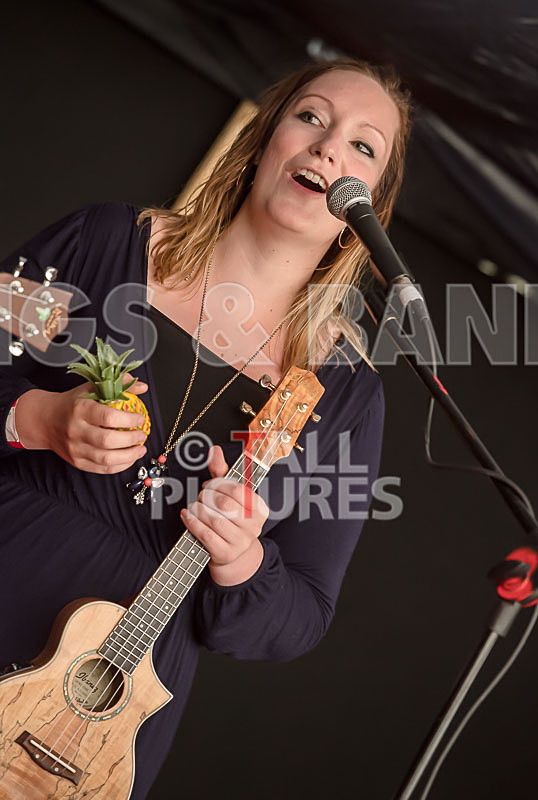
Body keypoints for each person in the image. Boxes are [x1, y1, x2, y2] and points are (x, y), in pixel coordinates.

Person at [0, 58, 412, 798]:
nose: (329, 148)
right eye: (311, 117)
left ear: (371, 207)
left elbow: (300, 617)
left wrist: (242, 561)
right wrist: (37, 418)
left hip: (98, 716)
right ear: (265, 139)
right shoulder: (103, 242)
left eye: (363, 145)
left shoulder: (347, 396)